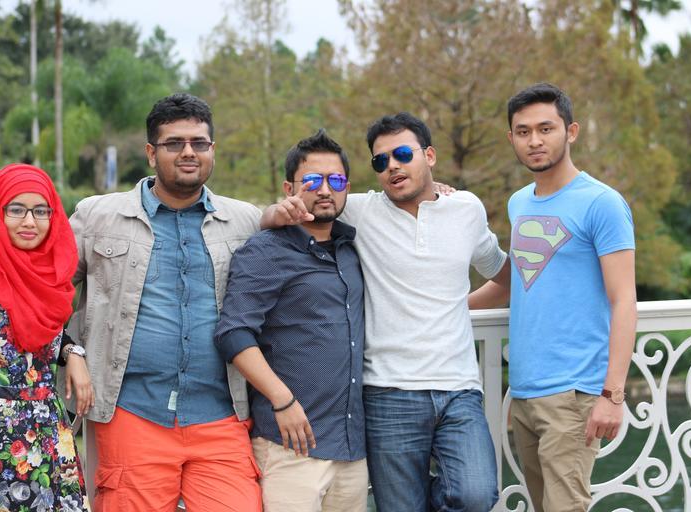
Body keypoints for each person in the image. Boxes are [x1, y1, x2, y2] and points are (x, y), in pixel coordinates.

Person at [262, 113, 505, 511]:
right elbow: (299, 207)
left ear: (429, 156)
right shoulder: (357, 210)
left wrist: (455, 307)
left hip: (458, 388)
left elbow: (505, 276)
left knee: (475, 495)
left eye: (403, 154)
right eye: (381, 160)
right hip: (387, 393)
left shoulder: (467, 209)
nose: (392, 165)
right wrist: (271, 215)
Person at [65, 93, 262, 511]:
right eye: (175, 143)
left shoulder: (245, 221)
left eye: (199, 143)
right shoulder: (99, 216)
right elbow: (41, 284)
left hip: (221, 416)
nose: (188, 152)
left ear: (212, 150)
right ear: (152, 153)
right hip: (134, 415)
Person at [469, 82, 637, 511]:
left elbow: (624, 301)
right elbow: (516, 279)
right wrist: (447, 307)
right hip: (525, 391)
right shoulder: (519, 202)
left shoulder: (602, 203)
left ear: (571, 131)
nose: (535, 141)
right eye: (523, 132)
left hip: (574, 393)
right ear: (511, 138)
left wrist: (612, 395)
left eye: (546, 129)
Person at [215, 129, 367, 511]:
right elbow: (234, 333)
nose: (325, 190)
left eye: (336, 181)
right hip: (290, 446)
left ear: (348, 188)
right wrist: (282, 401)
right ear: (289, 189)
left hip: (351, 447)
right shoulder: (266, 250)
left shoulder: (352, 248)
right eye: (312, 181)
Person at [0, 164, 92, 512]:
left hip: (51, 437)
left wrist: (71, 352)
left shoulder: (50, 279)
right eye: (17, 210)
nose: (29, 221)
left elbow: (45, 331)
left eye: (40, 211)